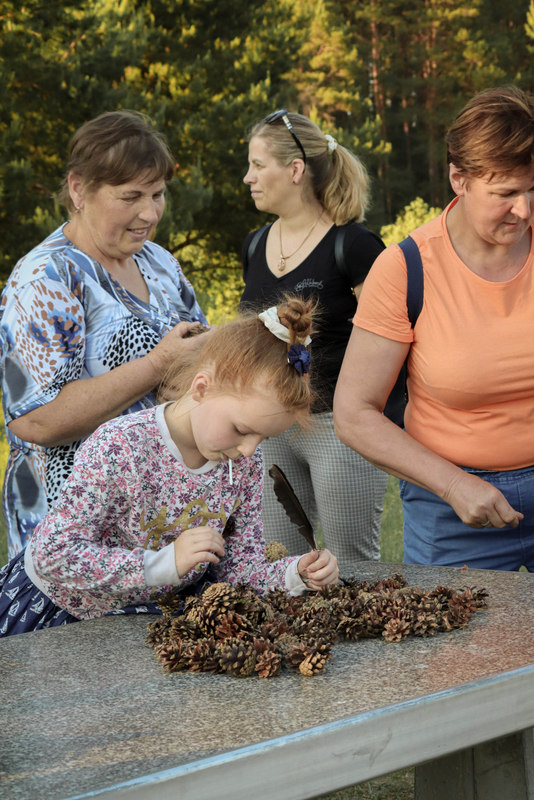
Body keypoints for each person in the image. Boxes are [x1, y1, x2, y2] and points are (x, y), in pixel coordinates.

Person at [0, 296, 339, 636]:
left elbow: (238, 570)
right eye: (240, 429)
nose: (249, 450)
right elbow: (53, 554)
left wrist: (296, 573)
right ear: (202, 388)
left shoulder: (243, 463)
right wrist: (162, 564)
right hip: (63, 614)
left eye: (264, 438)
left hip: (148, 619)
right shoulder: (121, 446)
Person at [334, 85, 534, 572]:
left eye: (533, 190)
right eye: (506, 194)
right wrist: (454, 485)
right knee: (466, 628)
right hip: (454, 511)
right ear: (458, 179)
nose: (525, 210)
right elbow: (354, 413)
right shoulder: (405, 269)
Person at [0, 110, 208, 559]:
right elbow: (36, 421)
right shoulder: (45, 279)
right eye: (131, 196)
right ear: (79, 189)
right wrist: (158, 364)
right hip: (71, 533)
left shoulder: (159, 262)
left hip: (155, 521)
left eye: (157, 194)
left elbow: (196, 362)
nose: (149, 213)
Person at [240, 110, 388, 570]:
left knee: (352, 568)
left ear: (296, 170)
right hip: (270, 427)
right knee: (277, 565)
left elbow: (390, 338)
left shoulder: (355, 245)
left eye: (257, 165)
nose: (248, 178)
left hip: (338, 427)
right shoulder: (254, 245)